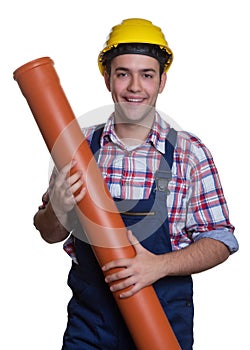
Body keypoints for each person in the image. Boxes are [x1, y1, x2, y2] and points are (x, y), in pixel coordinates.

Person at [34, 18, 239, 350]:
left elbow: (220, 239)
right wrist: (57, 210)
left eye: (146, 75)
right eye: (123, 73)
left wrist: (158, 265)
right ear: (107, 79)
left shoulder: (189, 153)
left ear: (162, 81)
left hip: (161, 326)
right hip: (90, 329)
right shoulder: (77, 147)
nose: (134, 86)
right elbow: (49, 232)